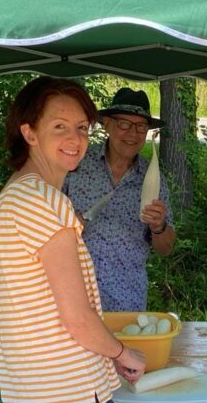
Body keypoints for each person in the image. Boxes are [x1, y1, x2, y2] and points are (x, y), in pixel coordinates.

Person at [0, 76, 147, 403]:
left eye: (82, 127)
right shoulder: (45, 201)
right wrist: (123, 352)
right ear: (29, 132)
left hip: (37, 394)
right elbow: (77, 319)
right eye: (60, 126)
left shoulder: (15, 194)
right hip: (71, 395)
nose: (75, 139)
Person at [63, 87, 175, 312]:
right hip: (74, 297)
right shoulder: (75, 165)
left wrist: (159, 226)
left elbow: (166, 249)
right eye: (124, 124)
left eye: (140, 126)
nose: (132, 134)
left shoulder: (152, 178)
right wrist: (65, 223)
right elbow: (43, 227)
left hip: (128, 300)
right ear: (107, 124)